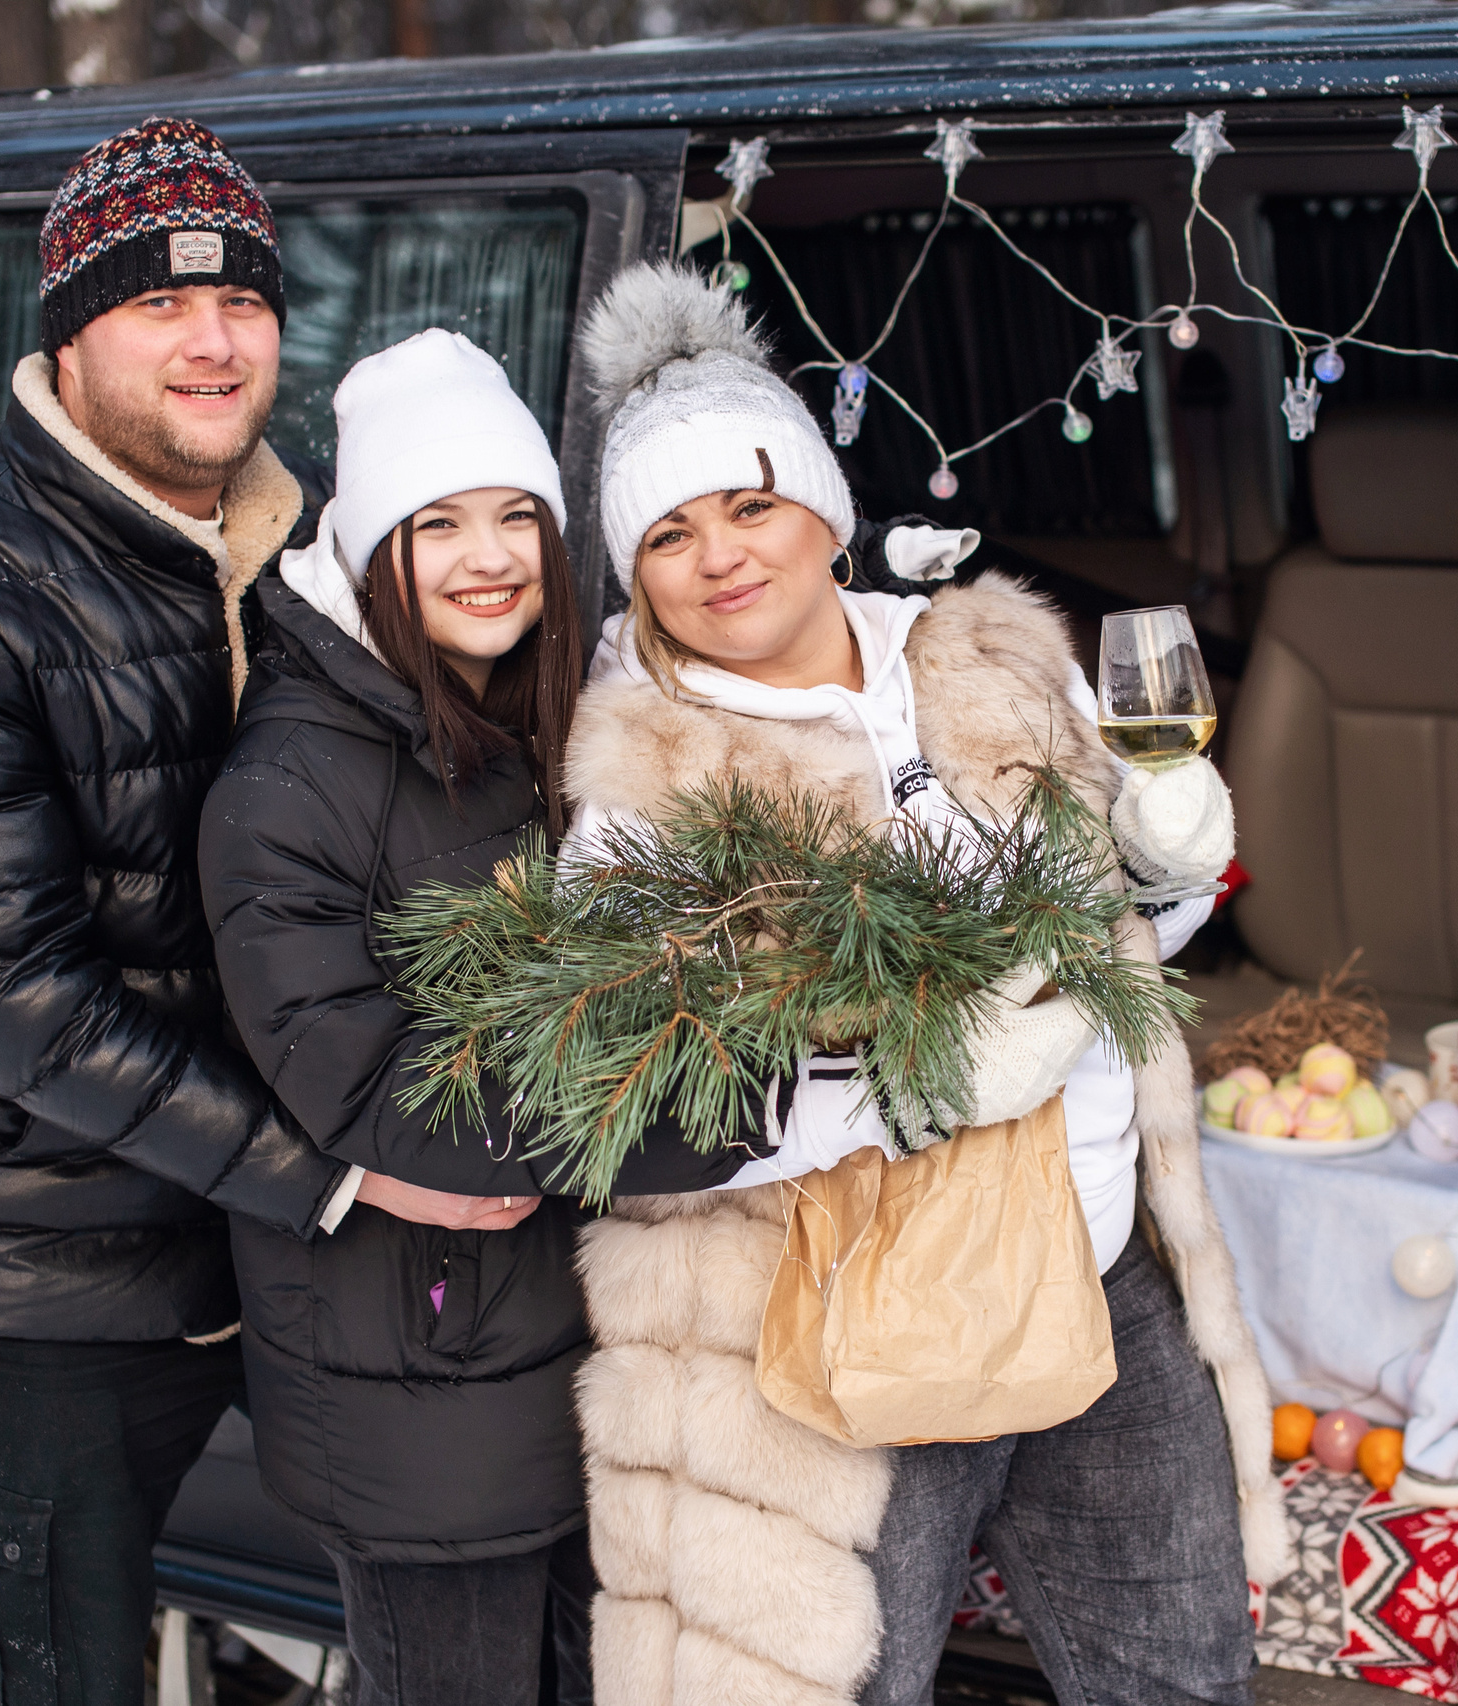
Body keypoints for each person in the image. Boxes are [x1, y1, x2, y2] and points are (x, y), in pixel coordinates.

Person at [561, 263, 1291, 1706]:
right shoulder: (643, 781)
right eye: (669, 532)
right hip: (829, 1314)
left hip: (1090, 1273)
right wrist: (908, 1087)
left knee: (1181, 1675)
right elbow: (624, 1097)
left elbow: (1126, 936)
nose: (720, 556)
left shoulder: (994, 651)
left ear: (824, 509)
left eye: (751, 505)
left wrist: (1167, 859)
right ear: (634, 570)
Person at [197, 330, 815, 1706]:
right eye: (440, 524)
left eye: (513, 517)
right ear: (372, 551)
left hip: (540, 1345)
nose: (489, 557)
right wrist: (734, 1111)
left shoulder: (532, 730)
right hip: (411, 1373)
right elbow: (380, 1091)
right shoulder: (293, 780)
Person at [0, 117, 353, 1706]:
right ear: (72, 332)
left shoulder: (298, 544)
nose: (213, 342)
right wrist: (335, 1174)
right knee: (61, 1670)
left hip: (260, 1234)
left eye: (243, 304)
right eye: (160, 306)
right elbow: (14, 1002)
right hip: (42, 1261)